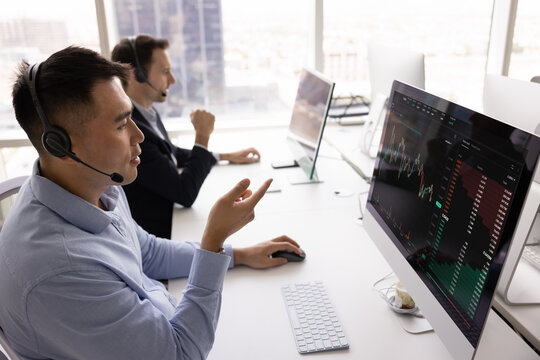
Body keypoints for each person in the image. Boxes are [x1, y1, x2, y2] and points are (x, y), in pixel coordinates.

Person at [0, 46, 302, 359]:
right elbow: (180, 354)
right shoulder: (60, 272)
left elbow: (148, 252)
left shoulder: (97, 188)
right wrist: (212, 242)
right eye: (120, 124)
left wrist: (239, 255)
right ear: (61, 146)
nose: (138, 135)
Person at [111, 34, 261, 239]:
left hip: (172, 220)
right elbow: (185, 194)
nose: (172, 80)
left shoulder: (146, 114)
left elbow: (171, 154)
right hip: (161, 232)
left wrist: (225, 156)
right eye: (165, 72)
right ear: (137, 75)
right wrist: (202, 136)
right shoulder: (133, 130)